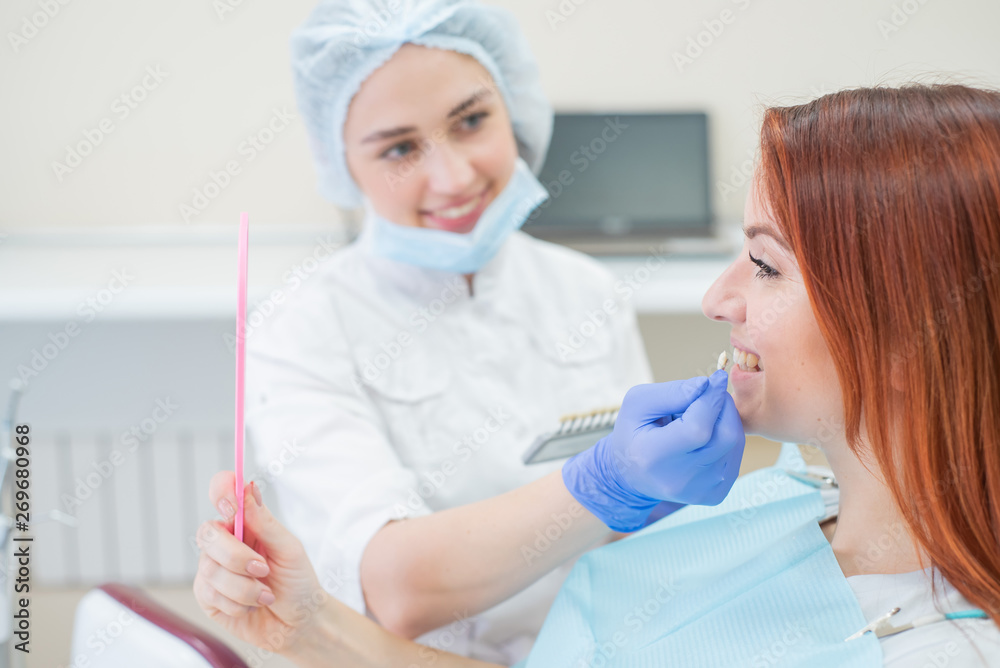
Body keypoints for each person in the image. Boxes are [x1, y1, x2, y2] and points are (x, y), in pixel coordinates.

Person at [195, 83, 1000, 666]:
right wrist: (310, 630)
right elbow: (406, 591)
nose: (717, 298)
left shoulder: (932, 643)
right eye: (399, 146)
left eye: (762, 265)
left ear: (910, 340)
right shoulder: (777, 508)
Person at [233, 0, 743, 663]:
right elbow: (396, 590)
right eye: (398, 147)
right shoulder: (298, 326)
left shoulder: (584, 288)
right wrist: (606, 482)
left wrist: (668, 494)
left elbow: (628, 547)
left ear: (515, 109)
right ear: (344, 166)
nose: (453, 177)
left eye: (471, 121)